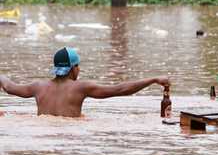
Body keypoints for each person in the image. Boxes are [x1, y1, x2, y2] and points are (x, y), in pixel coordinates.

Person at [0, 47, 170, 118]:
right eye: (78, 66)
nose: (79, 70)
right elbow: (120, 89)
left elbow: (8, 87)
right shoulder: (81, 87)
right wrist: (153, 79)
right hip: (70, 136)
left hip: (42, 133)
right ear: (72, 68)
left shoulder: (37, 87)